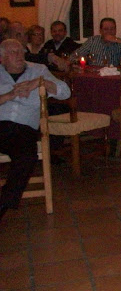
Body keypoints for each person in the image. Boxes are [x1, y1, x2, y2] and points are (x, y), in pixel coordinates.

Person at [0, 39, 70, 222]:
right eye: (13, 52)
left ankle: (3, 203)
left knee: (26, 157)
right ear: (2, 58)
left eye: (21, 51)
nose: (19, 55)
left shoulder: (38, 70)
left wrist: (40, 82)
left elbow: (65, 92)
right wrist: (9, 95)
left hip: (23, 128)